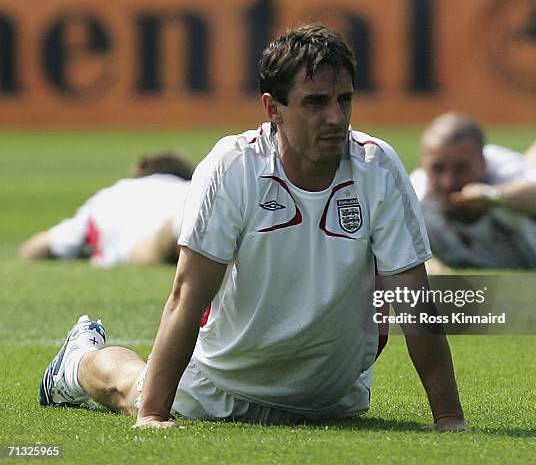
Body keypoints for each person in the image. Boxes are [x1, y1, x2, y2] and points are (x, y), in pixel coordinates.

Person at [39, 24, 466, 430]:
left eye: (345, 100)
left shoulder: (378, 166)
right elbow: (187, 296)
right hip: (222, 384)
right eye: (316, 102)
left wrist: (448, 419)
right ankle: (79, 360)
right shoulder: (234, 166)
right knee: (129, 386)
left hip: (332, 398)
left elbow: (415, 302)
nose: (336, 117)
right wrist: (150, 414)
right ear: (272, 109)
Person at [410, 83, 536, 270]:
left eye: (460, 169)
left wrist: (493, 196)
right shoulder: (415, 194)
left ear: (484, 162)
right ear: (424, 164)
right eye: (437, 168)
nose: (448, 181)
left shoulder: (506, 177)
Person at [20, 152, 194, 267]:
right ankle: (183, 231)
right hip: (189, 210)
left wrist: (84, 251)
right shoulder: (188, 187)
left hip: (149, 242)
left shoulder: (111, 194)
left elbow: (36, 248)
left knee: (146, 250)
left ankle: (179, 231)